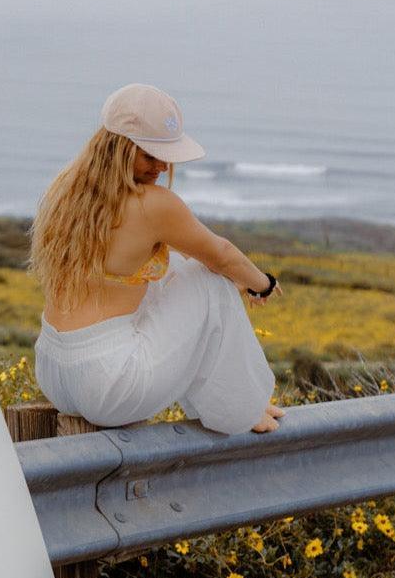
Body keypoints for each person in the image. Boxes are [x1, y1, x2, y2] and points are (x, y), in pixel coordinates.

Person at [30, 83, 285, 435]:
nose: (162, 166)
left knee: (177, 268)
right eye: (150, 155)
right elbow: (223, 255)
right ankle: (241, 409)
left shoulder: (67, 191)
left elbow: (189, 257)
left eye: (166, 156)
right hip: (110, 384)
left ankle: (236, 402)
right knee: (210, 281)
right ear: (119, 148)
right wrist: (262, 284)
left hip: (52, 371)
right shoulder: (153, 204)